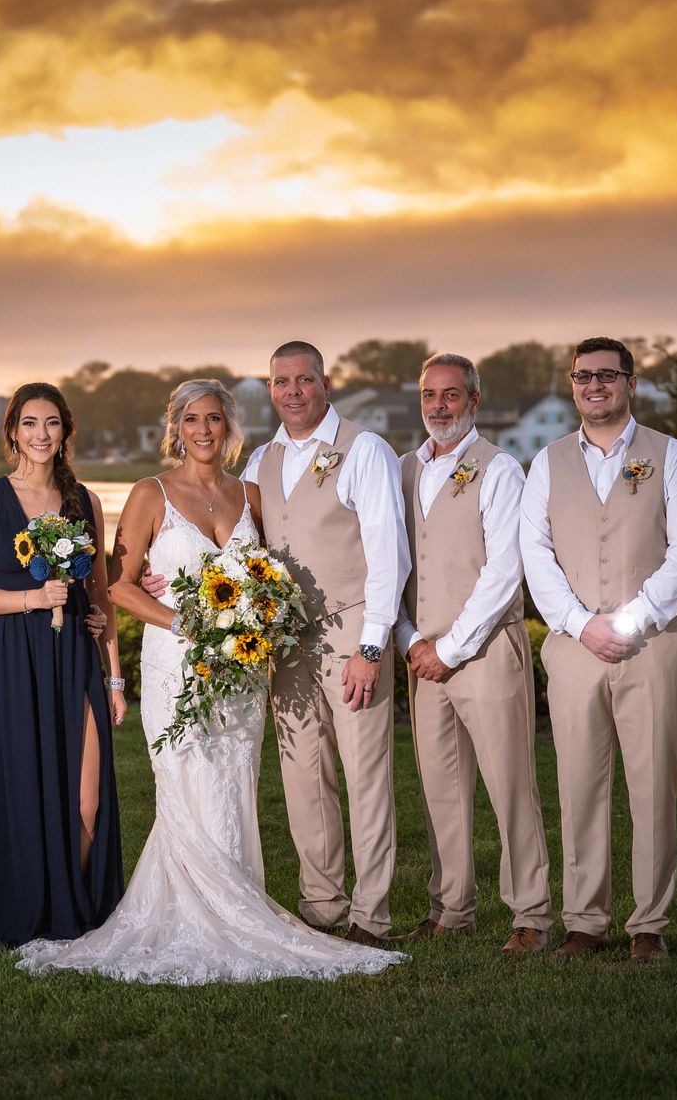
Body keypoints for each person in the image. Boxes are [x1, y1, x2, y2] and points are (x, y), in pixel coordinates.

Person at [18, 379, 406, 982]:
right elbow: (116, 584)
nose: (203, 430)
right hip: (177, 664)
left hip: (242, 672)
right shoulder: (150, 494)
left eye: (215, 420)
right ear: (176, 428)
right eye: (192, 420)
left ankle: (239, 899)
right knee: (187, 782)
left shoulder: (249, 492)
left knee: (233, 783)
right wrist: (186, 622)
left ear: (229, 427)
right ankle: (195, 914)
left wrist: (257, 615)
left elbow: (270, 574)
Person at [520, 337, 677, 962]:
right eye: (582, 376)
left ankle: (648, 923)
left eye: (606, 375)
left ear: (630, 382)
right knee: (578, 783)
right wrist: (578, 623)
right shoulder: (545, 462)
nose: (594, 385)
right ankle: (584, 920)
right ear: (572, 386)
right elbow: (535, 554)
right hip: (574, 648)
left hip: (652, 645)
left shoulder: (671, 457)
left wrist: (629, 620)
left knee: (654, 784)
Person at [242, 341, 409, 946]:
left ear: (326, 383)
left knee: (365, 773)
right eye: (281, 381)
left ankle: (372, 913)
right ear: (270, 390)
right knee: (302, 774)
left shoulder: (363, 449)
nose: (292, 391)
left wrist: (371, 648)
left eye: (303, 380)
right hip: (286, 642)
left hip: (350, 628)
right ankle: (323, 903)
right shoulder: (260, 459)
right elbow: (235, 546)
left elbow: (389, 554)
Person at [0, 384, 125, 947]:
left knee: (86, 799)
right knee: (23, 790)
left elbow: (102, 598)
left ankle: (71, 908)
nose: (41, 435)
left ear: (65, 431)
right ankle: (33, 910)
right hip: (11, 660)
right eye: (30, 423)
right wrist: (34, 599)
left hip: (74, 658)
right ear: (12, 432)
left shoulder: (86, 503)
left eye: (52, 423)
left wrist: (113, 673)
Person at [395, 353, 552, 954]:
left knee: (511, 784)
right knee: (440, 787)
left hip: (484, 650)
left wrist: (451, 648)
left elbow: (504, 571)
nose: (439, 406)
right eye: (430, 395)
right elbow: (395, 565)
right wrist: (410, 640)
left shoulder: (500, 469)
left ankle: (532, 914)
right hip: (422, 654)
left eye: (452, 395)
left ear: (474, 402)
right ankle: (450, 906)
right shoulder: (405, 470)